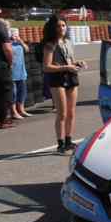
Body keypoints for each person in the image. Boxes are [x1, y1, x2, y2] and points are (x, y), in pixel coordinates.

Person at [43, 15, 86, 154]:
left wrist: (78, 63)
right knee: (62, 113)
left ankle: (68, 141)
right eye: (58, 26)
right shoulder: (50, 44)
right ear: (53, 28)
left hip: (71, 77)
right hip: (57, 80)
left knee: (71, 113)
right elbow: (46, 67)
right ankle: (60, 144)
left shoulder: (68, 41)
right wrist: (66, 68)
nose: (61, 28)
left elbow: (71, 61)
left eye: (63, 25)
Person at [8, 25, 31, 119]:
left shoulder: (19, 44)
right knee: (13, 92)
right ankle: (13, 112)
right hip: (12, 72)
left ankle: (21, 109)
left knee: (22, 92)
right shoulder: (7, 44)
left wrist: (20, 41)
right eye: (14, 35)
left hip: (21, 71)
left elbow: (27, 49)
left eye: (17, 35)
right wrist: (10, 40)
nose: (15, 36)